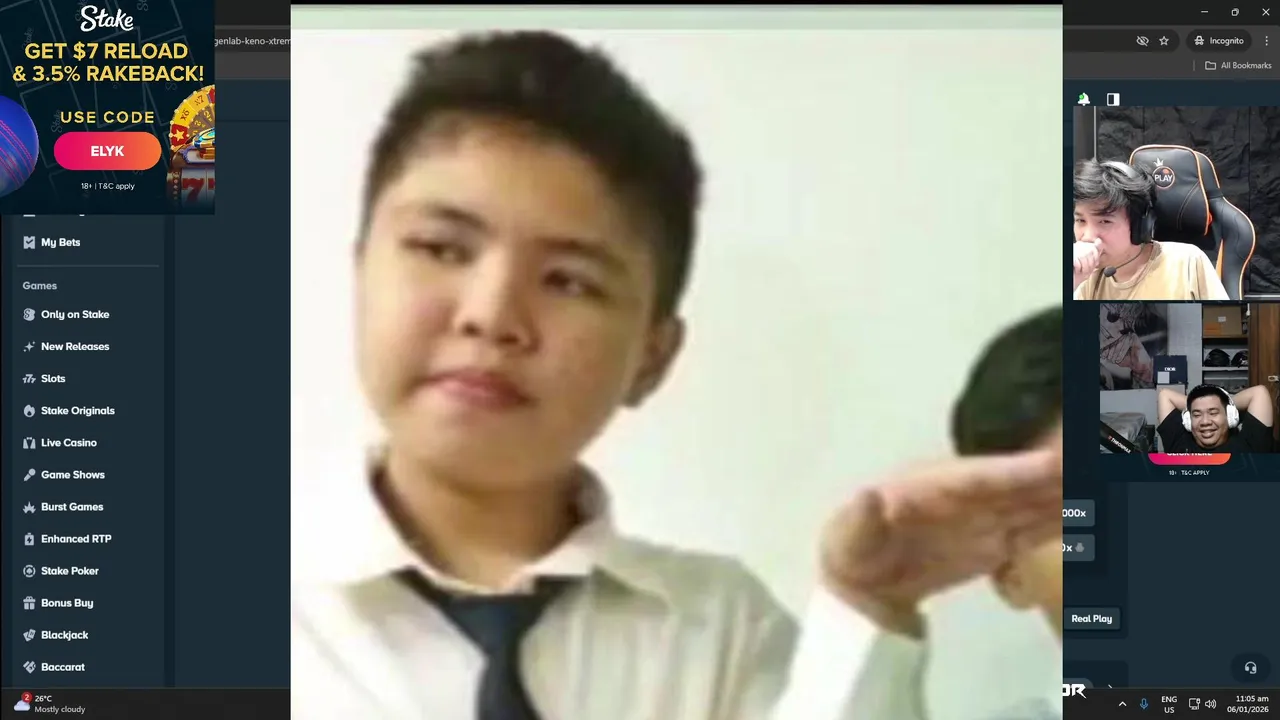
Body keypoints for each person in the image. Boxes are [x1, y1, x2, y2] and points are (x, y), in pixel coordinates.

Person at [290, 31, 1062, 719]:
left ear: (652, 358)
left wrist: (871, 607)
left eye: (569, 281)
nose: (491, 316)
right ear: (360, 272)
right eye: (441, 248)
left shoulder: (721, 631)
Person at [1072, 159, 1228, 301]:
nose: (1087, 237)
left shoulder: (1187, 263)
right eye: (1080, 220)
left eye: (1105, 221)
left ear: (1140, 225)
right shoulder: (1084, 274)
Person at [1156, 384, 1276, 453]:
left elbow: (1259, 392)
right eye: (1197, 415)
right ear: (1188, 420)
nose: (1205, 422)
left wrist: (1227, 404)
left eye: (1213, 413)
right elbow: (1165, 395)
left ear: (1230, 416)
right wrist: (1200, 404)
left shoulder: (1249, 445)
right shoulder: (1179, 443)